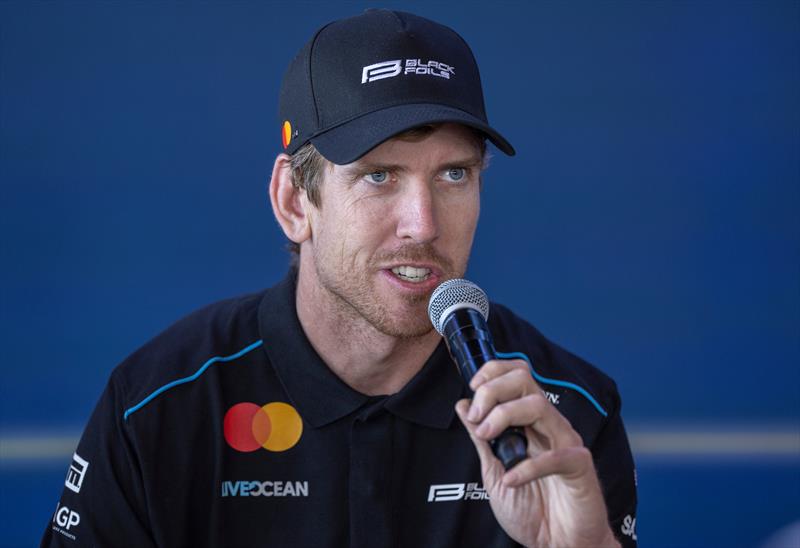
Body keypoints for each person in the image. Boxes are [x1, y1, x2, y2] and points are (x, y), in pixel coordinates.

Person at [42, 9, 637, 548]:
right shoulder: (159, 406)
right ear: (294, 202)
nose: (423, 224)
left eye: (455, 174)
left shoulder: (562, 419)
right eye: (379, 176)